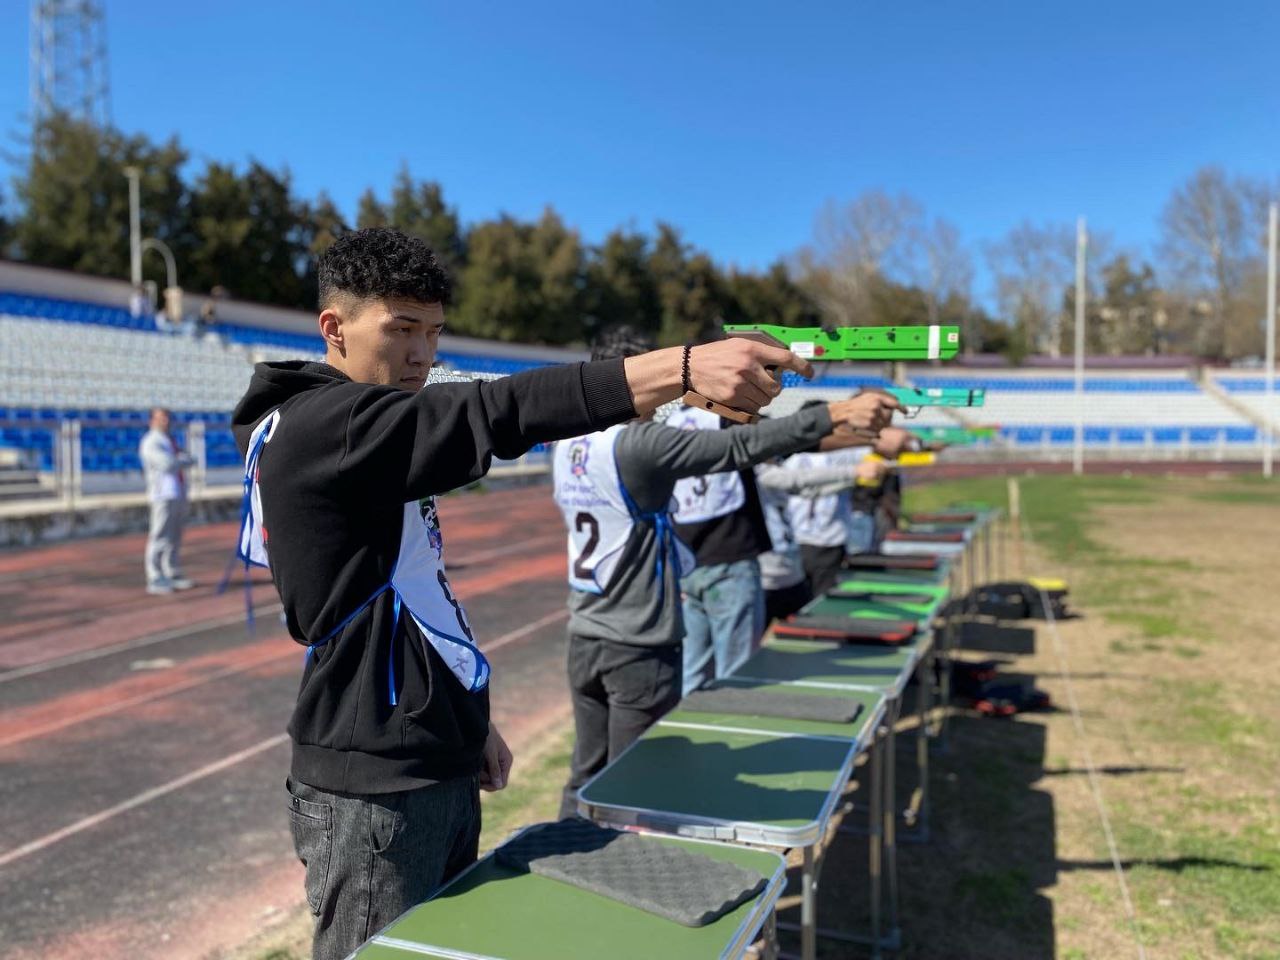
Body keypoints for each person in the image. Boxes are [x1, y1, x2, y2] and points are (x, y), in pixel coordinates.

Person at [230, 229, 812, 960]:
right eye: (401, 330)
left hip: (421, 750)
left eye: (433, 333)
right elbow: (497, 411)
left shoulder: (354, 428)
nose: (422, 355)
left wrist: (466, 716)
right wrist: (684, 366)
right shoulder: (325, 425)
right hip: (373, 785)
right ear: (334, 328)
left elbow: (413, 588)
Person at [552, 325, 900, 818]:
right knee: (636, 781)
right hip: (637, 641)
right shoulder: (639, 443)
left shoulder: (569, 439)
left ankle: (571, 843)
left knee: (586, 771)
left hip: (585, 631)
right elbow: (741, 447)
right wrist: (837, 414)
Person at [665, 399, 773, 695]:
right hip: (730, 560)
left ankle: (688, 723)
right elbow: (778, 439)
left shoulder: (670, 423)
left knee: (691, 674)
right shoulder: (731, 417)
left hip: (686, 563)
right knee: (737, 675)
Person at [139, 407, 195, 594]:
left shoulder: (170, 440)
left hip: (177, 492)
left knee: (175, 535)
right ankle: (154, 575)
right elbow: (167, 464)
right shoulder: (151, 441)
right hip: (162, 494)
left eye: (167, 418)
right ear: (152, 421)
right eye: (161, 418)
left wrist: (180, 460)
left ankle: (172, 571)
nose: (166, 421)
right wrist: (181, 460)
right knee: (160, 535)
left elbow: (186, 458)